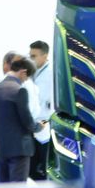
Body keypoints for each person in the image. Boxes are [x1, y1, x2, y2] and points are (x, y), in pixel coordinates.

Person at [0, 56, 37, 183]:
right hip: (19, 147)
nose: (25, 80)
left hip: (0, 147)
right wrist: (38, 127)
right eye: (27, 77)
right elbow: (26, 120)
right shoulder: (20, 90)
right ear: (23, 72)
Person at [28, 40, 54, 180]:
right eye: (30, 55)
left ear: (45, 56)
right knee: (32, 170)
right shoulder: (32, 73)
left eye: (34, 56)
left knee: (44, 167)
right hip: (33, 127)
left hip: (45, 127)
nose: (30, 59)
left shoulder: (52, 73)